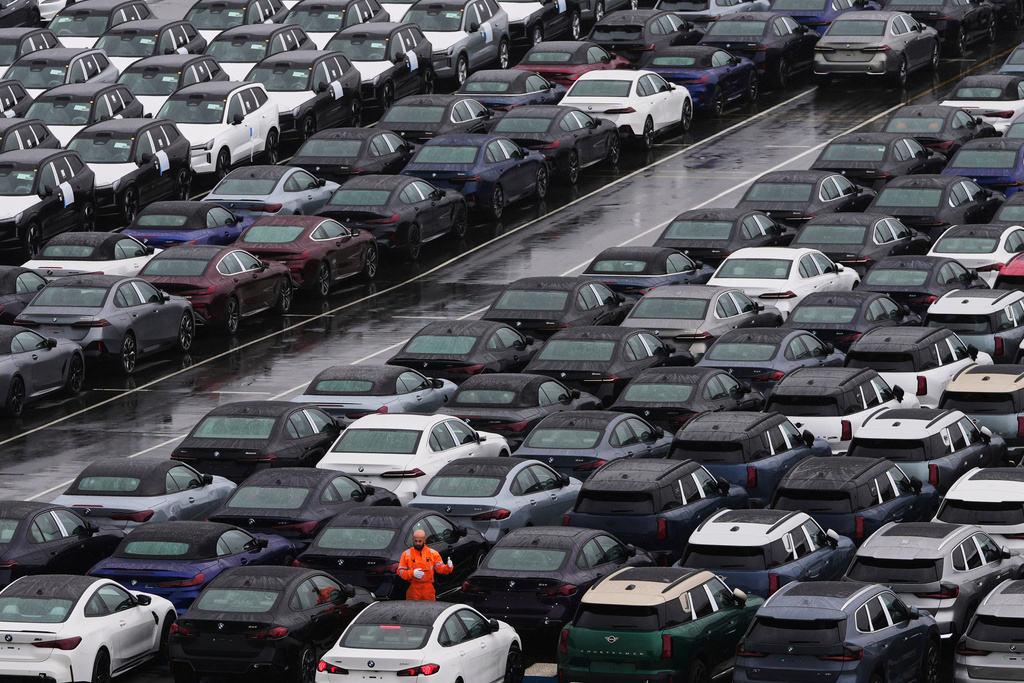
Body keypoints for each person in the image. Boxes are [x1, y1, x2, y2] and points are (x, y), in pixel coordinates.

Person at [398, 529, 453, 601]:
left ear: (425, 540)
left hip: (428, 589)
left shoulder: (433, 553)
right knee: (413, 610)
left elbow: (440, 569)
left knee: (429, 610)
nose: (417, 543)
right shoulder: (406, 554)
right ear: (413, 540)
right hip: (413, 588)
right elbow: (400, 572)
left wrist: (448, 567)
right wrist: (412, 573)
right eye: (415, 541)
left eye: (420, 541)